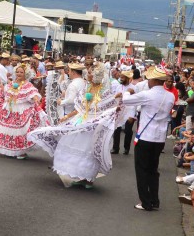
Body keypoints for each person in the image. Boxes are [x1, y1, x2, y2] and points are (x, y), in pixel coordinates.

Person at [30, 63, 121, 188]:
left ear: (96, 75)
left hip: (93, 125)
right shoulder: (86, 89)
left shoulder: (105, 92)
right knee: (72, 144)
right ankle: (81, 176)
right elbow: (80, 109)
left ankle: (89, 179)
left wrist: (115, 104)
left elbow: (110, 108)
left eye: (90, 73)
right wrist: (67, 116)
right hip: (80, 121)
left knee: (89, 150)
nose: (87, 74)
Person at [120, 64, 176, 211]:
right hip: (160, 138)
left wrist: (128, 91)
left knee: (142, 170)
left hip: (145, 136)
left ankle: (145, 202)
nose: (148, 81)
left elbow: (126, 100)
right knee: (153, 170)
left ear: (154, 80)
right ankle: (154, 200)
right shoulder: (170, 96)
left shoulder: (147, 94)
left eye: (149, 79)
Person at [0, 62, 44, 159]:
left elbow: (32, 93)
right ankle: (10, 149)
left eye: (21, 72)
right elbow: (5, 93)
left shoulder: (27, 85)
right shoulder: (11, 84)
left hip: (21, 111)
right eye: (17, 72)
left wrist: (36, 98)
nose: (19, 74)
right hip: (9, 110)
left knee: (20, 131)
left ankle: (20, 152)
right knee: (8, 130)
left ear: (25, 74)